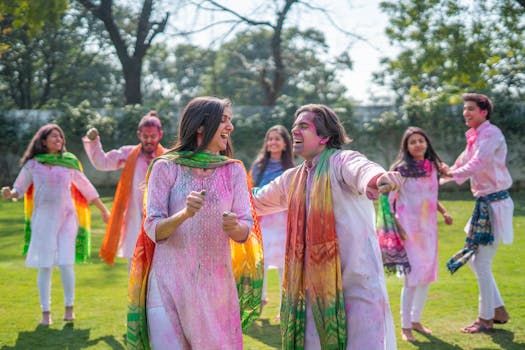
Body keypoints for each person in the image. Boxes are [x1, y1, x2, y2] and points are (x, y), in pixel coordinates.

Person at [252, 104, 402, 349]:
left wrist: (379, 178)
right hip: (313, 290)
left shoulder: (341, 161)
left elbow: (363, 170)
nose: (295, 132)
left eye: (303, 127)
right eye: (294, 127)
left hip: (356, 284)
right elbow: (256, 201)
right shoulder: (293, 178)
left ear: (324, 136)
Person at [127, 96, 262, 349]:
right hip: (168, 286)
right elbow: (153, 228)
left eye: (230, 121)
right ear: (201, 126)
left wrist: (235, 228)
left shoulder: (232, 170)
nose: (230, 127)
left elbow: (246, 228)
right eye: (223, 121)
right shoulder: (165, 167)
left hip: (216, 291)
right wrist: (184, 214)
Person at [1, 124, 110, 326]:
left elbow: (87, 188)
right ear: (43, 141)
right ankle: (46, 312)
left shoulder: (69, 163)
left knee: (66, 263)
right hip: (43, 221)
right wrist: (10, 194)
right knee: (45, 266)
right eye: (54, 137)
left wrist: (104, 211)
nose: (59, 140)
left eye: (61, 137)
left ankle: (69, 308)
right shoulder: (33, 165)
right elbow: (19, 188)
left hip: (67, 219)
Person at [441, 93, 513, 334]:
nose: (466, 113)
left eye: (471, 108)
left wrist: (450, 175)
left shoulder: (490, 134)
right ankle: (498, 309)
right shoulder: (474, 136)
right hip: (484, 203)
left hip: (495, 204)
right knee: (475, 260)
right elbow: (461, 162)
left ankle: (485, 319)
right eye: (464, 109)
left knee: (480, 261)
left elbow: (477, 163)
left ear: (484, 112)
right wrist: (438, 177)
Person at [387, 127, 453, 342]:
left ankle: (416, 320)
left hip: (428, 230)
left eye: (421, 141)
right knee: (412, 278)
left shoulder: (432, 168)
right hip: (408, 230)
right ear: (406, 147)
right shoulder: (400, 171)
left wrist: (443, 212)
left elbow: (429, 197)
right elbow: (389, 203)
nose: (417, 144)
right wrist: (398, 227)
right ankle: (405, 326)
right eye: (412, 142)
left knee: (426, 276)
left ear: (427, 144)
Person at [82, 111, 165, 266]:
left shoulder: (167, 157)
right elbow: (103, 162)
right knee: (133, 267)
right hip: (134, 219)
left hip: (160, 218)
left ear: (160, 135)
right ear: (139, 135)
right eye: (145, 137)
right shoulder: (128, 154)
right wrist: (93, 142)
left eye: (153, 137)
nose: (148, 141)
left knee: (158, 267)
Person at [249, 125, 294, 321]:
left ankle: (285, 308)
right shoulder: (258, 167)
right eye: (270, 139)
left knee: (285, 262)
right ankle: (261, 299)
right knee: (262, 261)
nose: (273, 142)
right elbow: (251, 191)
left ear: (285, 144)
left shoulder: (290, 169)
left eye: (277, 139)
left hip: (284, 221)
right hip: (263, 221)